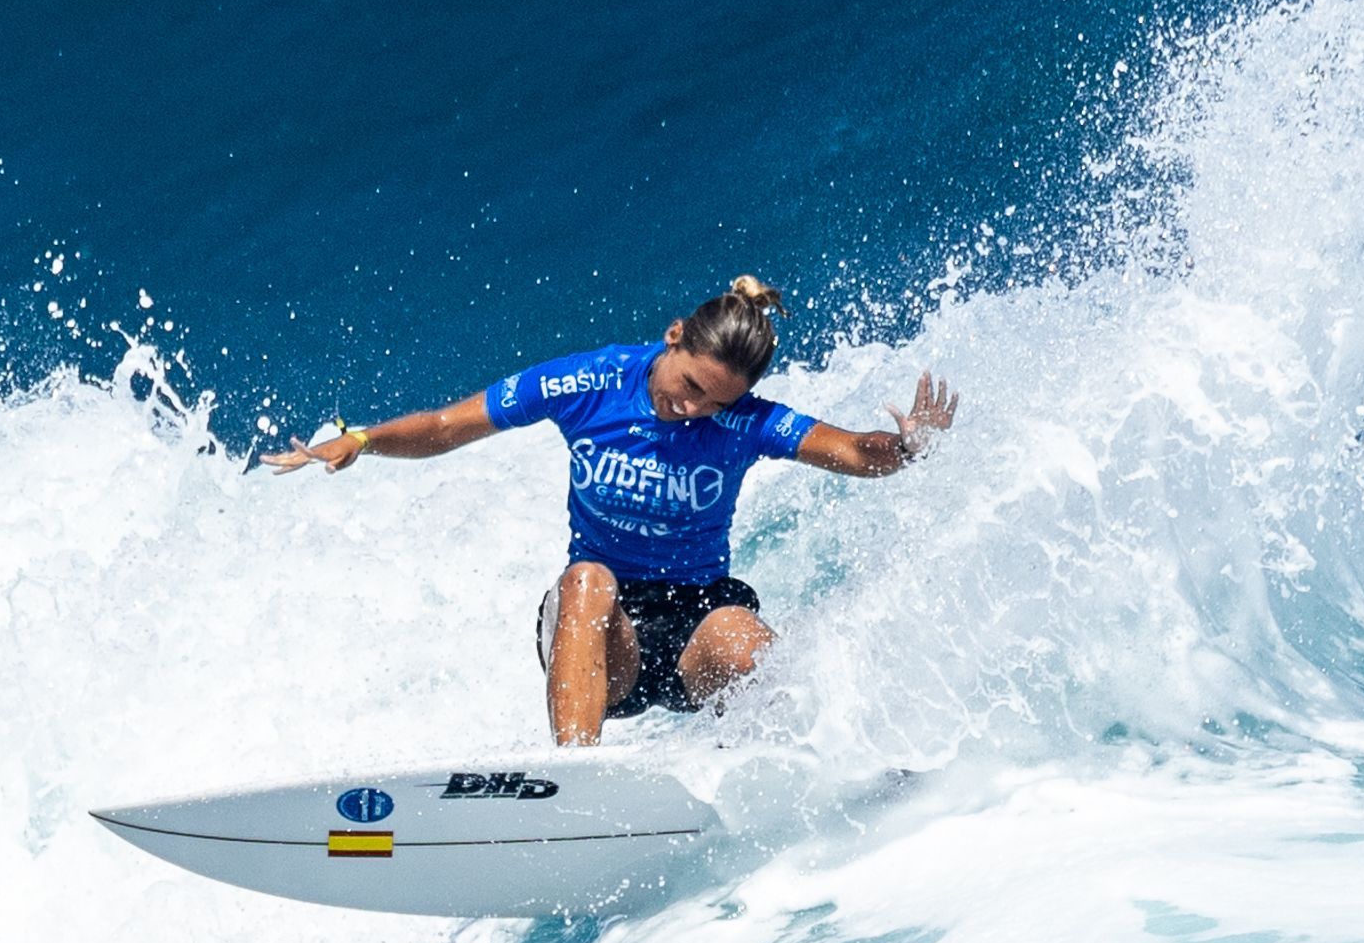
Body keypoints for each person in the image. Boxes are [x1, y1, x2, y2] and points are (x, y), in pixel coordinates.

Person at [266, 278, 955, 743]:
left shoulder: (745, 421)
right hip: (603, 630)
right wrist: (364, 440)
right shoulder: (590, 382)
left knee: (745, 640)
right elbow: (450, 425)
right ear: (674, 336)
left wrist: (906, 447)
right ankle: (574, 787)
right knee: (588, 579)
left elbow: (853, 449)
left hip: (695, 620)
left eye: (713, 401)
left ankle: (794, 767)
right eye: (690, 385)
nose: (692, 408)